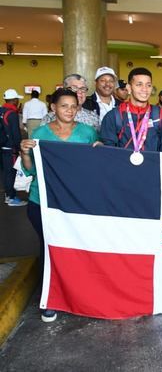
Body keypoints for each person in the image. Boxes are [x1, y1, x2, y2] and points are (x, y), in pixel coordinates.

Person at [19, 87, 98, 322]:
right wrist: (24, 153)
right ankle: (50, 298)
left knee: (77, 250)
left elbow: (97, 163)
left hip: (76, 203)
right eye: (64, 106)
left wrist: (100, 151)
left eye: (74, 106)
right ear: (53, 108)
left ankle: (79, 295)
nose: (69, 110)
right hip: (42, 202)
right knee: (50, 249)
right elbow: (29, 169)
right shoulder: (40, 133)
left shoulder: (88, 133)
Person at [100, 67, 162, 153]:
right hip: (122, 165)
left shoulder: (161, 115)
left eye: (148, 85)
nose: (145, 89)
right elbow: (108, 153)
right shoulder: (114, 116)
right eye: (139, 84)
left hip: (152, 165)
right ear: (129, 88)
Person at [1, 89, 26, 206]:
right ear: (14, 100)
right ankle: (11, 197)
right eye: (17, 99)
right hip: (10, 149)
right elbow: (16, 134)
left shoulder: (1, 111)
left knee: (6, 172)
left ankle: (8, 195)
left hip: (2, 146)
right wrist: (20, 149)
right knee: (11, 173)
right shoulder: (12, 114)